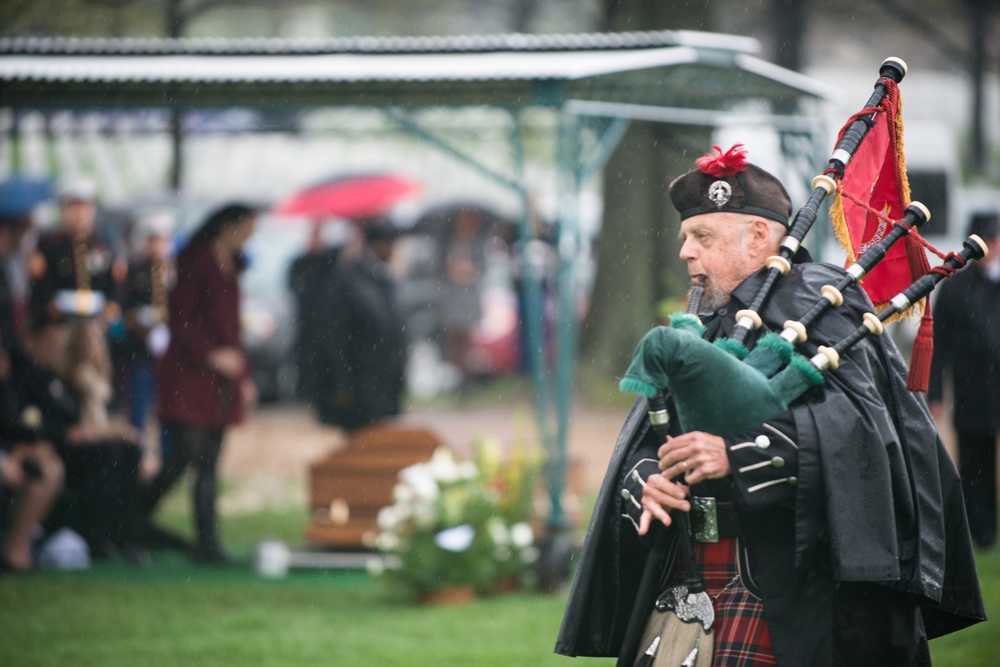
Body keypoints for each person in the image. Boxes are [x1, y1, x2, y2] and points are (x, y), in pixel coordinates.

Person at [555, 145, 984, 665]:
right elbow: (650, 433)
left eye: (702, 237)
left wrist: (734, 455)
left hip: (791, 582)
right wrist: (647, 479)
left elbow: (861, 433)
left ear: (760, 238)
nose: (686, 252)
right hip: (686, 573)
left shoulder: (821, 304)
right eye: (686, 238)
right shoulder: (705, 321)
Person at [144, 203, 257, 564]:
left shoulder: (233, 267)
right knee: (194, 460)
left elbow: (233, 326)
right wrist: (212, 355)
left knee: (188, 461)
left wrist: (244, 375)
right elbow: (182, 320)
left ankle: (130, 522)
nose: (251, 236)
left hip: (218, 382)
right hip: (190, 376)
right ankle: (205, 545)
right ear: (228, 226)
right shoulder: (196, 261)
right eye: (248, 228)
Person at [8, 310, 146, 564]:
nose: (54, 350)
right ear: (32, 340)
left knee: (126, 451)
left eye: (59, 345)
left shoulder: (50, 376)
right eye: (50, 344)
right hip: (51, 447)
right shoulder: (27, 375)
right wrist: (62, 436)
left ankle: (122, 532)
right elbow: (26, 422)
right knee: (106, 455)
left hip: (61, 444)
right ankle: (94, 535)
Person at [928, 211, 1000, 550]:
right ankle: (981, 532)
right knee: (976, 463)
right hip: (974, 390)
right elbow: (938, 345)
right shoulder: (956, 287)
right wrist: (935, 393)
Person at [314, 218, 407, 432]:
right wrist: (340, 383)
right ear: (380, 245)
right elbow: (335, 336)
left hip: (384, 382)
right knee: (362, 448)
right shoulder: (349, 280)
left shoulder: (383, 278)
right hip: (361, 384)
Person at [28, 177, 122, 321]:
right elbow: (40, 291)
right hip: (58, 325)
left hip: (98, 323)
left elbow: (114, 289)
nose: (80, 214)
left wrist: (109, 308)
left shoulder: (104, 245)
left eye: (85, 207)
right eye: (73, 207)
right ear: (62, 210)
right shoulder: (49, 245)